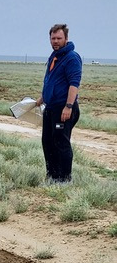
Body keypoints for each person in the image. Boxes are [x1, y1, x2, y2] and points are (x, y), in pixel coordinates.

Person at [35, 23, 81, 184]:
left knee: (61, 143)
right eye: (53, 38)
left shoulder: (71, 57)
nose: (55, 41)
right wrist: (42, 98)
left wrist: (68, 106)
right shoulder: (54, 56)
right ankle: (52, 177)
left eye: (59, 38)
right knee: (48, 142)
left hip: (64, 108)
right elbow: (50, 80)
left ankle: (64, 179)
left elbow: (73, 84)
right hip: (51, 108)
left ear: (66, 39)